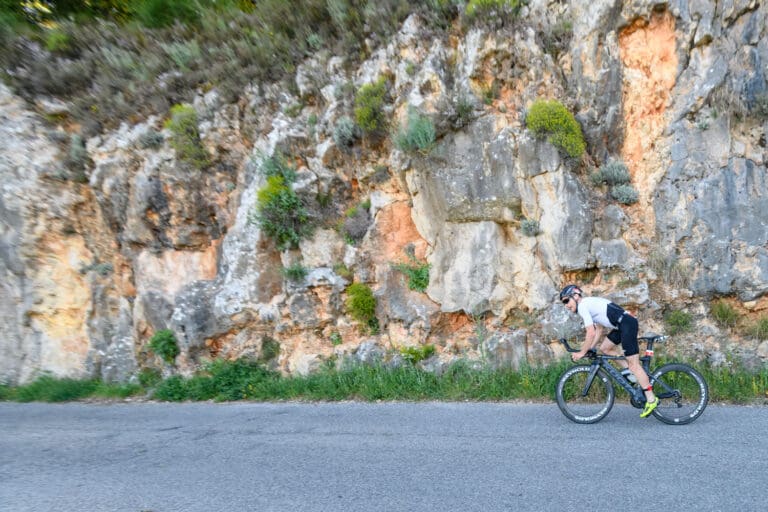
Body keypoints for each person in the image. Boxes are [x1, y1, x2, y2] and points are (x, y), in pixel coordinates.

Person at [559, 284, 658, 418]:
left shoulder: (583, 306)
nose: (566, 305)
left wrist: (582, 352)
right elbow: (598, 330)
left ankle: (651, 399)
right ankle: (631, 373)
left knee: (634, 365)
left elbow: (590, 332)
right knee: (604, 348)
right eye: (563, 303)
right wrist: (590, 348)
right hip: (622, 325)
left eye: (566, 301)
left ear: (575, 296)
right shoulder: (589, 304)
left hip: (627, 324)